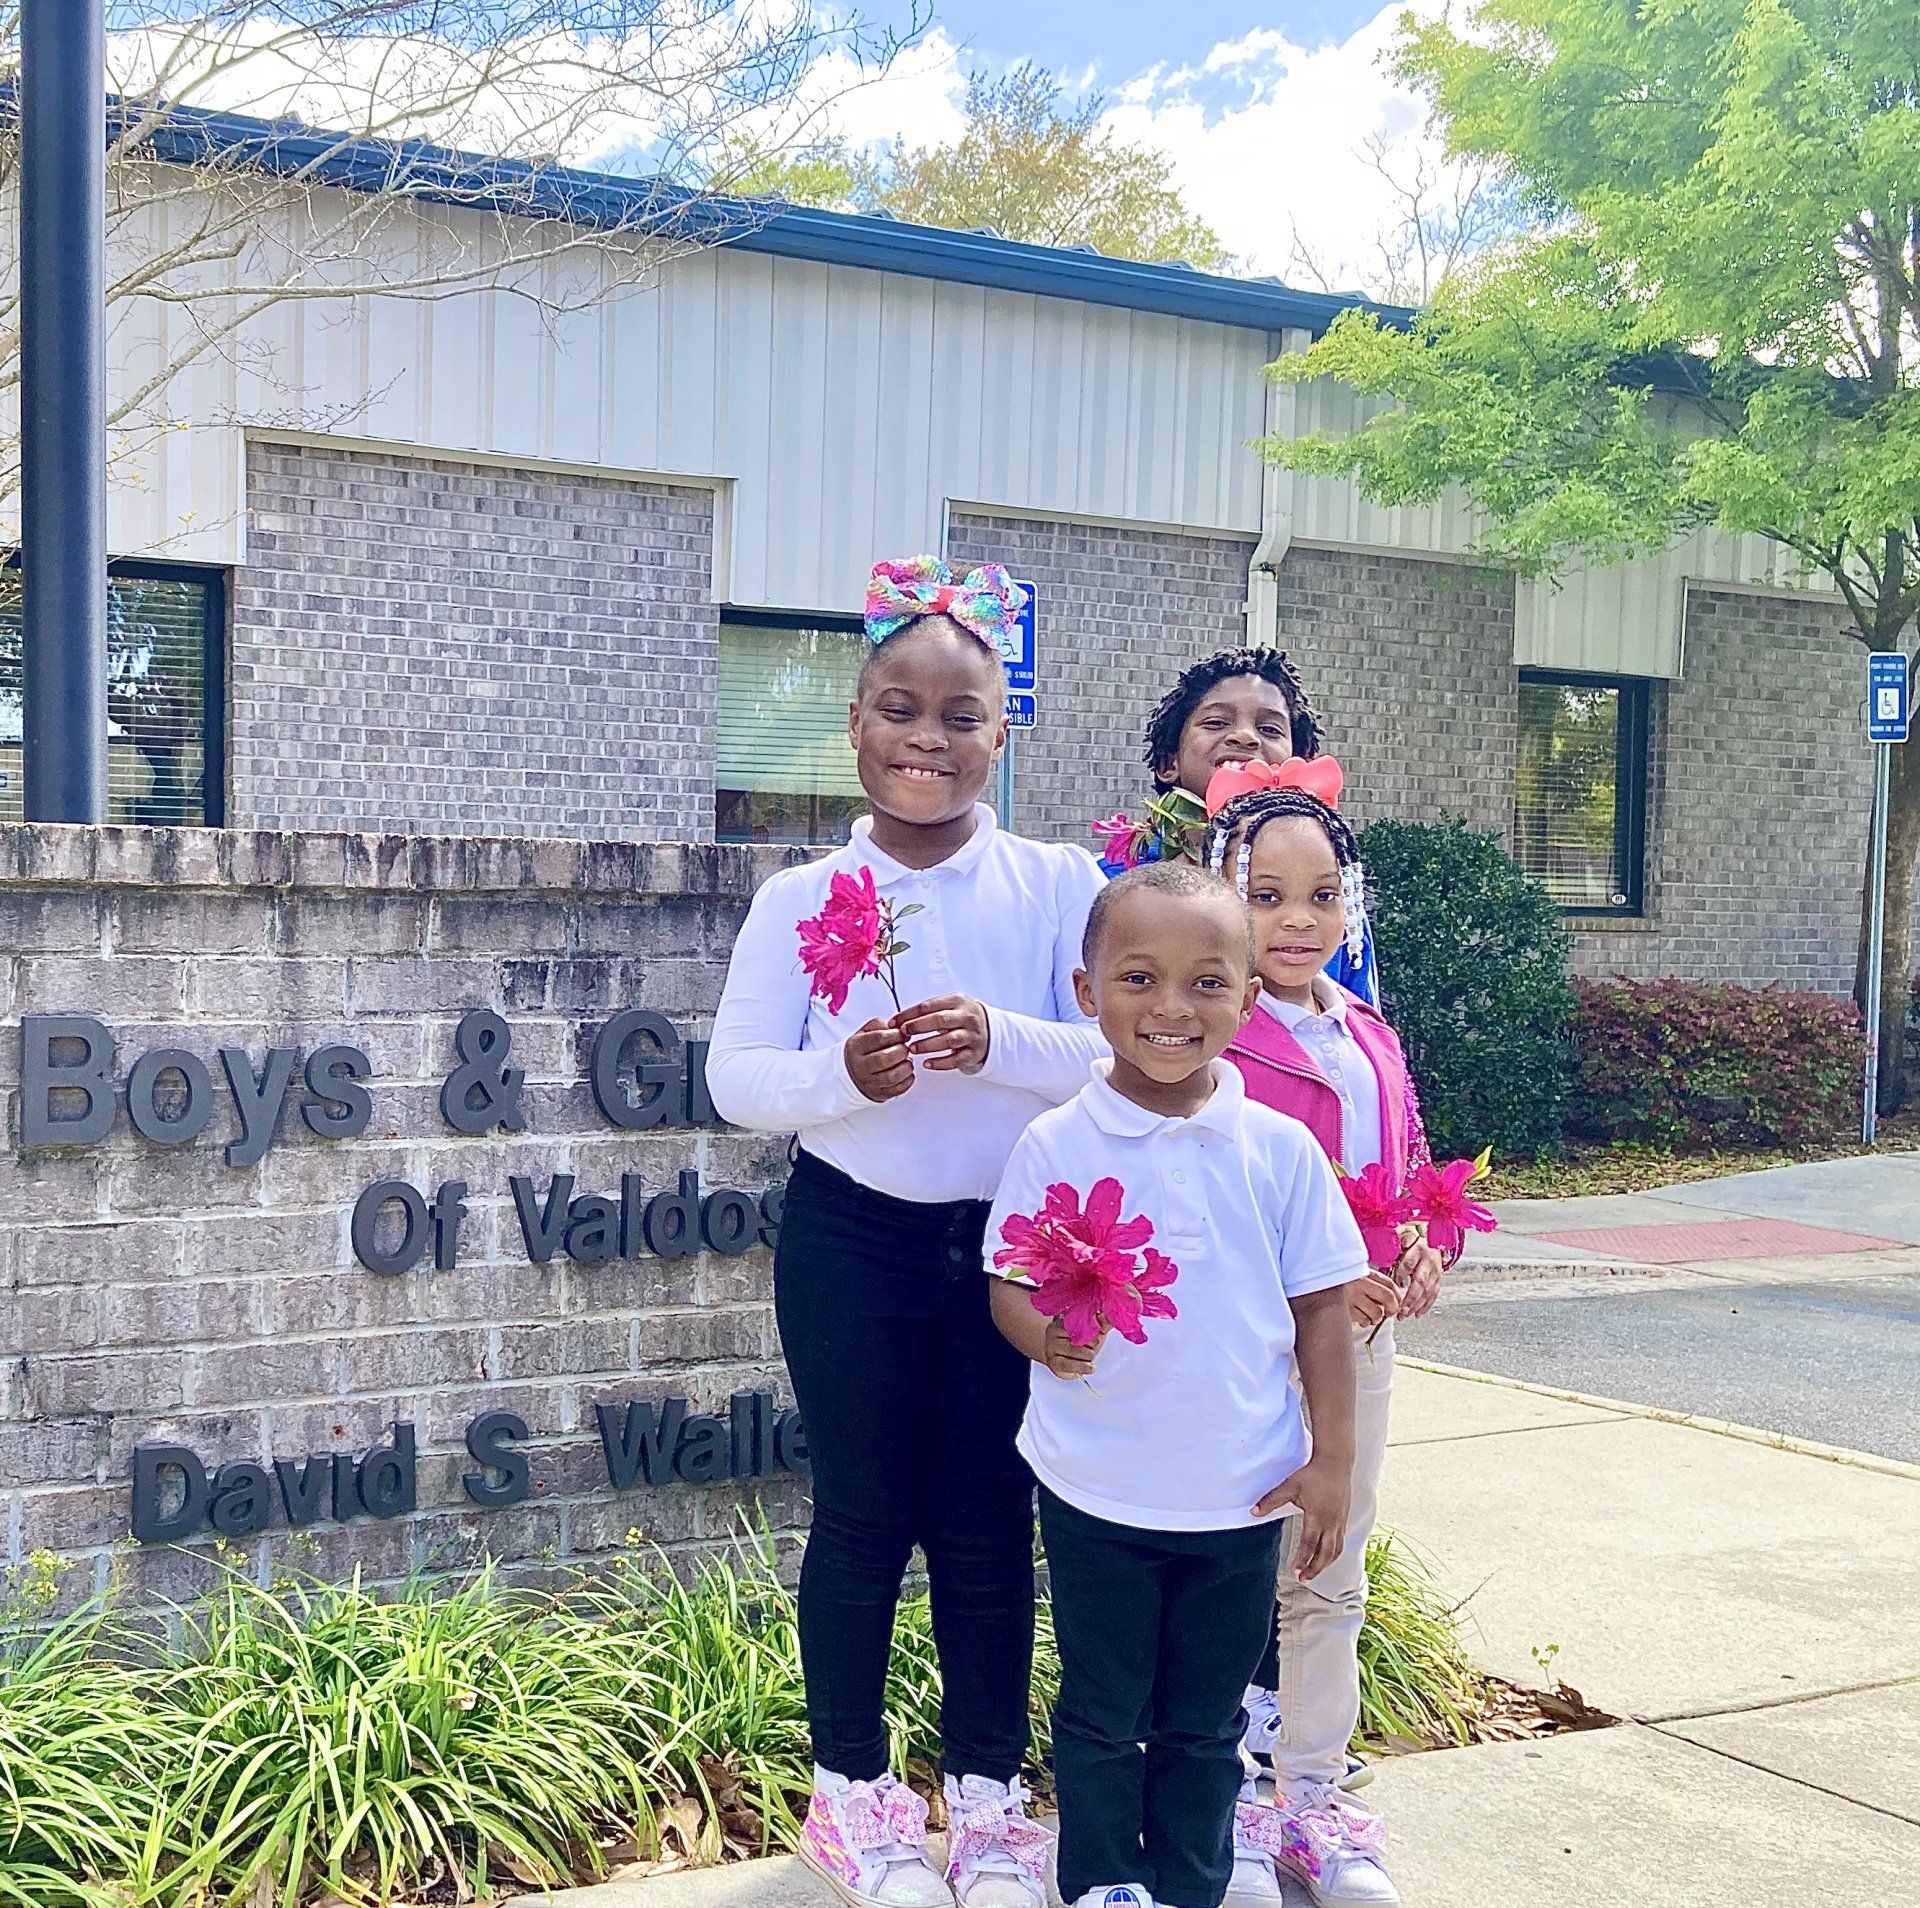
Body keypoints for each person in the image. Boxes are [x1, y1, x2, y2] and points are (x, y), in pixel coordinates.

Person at [706, 557, 1107, 1908]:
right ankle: (853, 1800)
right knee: (866, 1519)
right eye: (898, 707)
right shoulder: (802, 899)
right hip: (854, 1242)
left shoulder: (1059, 886)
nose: (926, 738)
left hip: (1013, 1253)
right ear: (857, 724)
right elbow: (739, 1076)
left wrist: (1001, 1041)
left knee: (994, 1523)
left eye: (960, 714)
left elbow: (1132, 1047)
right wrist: (841, 1078)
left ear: (1005, 730)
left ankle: (992, 1807)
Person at [985, 861, 1369, 1908]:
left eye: (1207, 982)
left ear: (1247, 997)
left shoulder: (1280, 1151)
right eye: (1139, 978)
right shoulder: (1055, 1142)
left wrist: (1331, 1462)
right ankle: (1105, 1880)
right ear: (1086, 993)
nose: (1171, 1007)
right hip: (1095, 1489)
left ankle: (1195, 1882)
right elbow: (1007, 1285)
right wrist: (1045, 1334)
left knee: (1207, 1722)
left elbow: (1322, 1315)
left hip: (1238, 1496)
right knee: (1103, 1711)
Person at [1202, 774, 1447, 1908]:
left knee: (1332, 1567)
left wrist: (1425, 1251)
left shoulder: (1372, 1036)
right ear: (1224, 898)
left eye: (1318, 896)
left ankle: (1310, 1796)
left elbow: (1406, 1181)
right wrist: (1318, 1276)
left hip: (1364, 1352)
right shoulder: (1214, 1038)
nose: (1296, 921)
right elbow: (1200, 1205)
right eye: (1267, 896)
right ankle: (1228, 1805)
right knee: (1243, 1572)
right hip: (1255, 1349)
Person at [1095, 649, 1377, 1005]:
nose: (1245, 737)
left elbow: (1355, 1025)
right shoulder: (1103, 882)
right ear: (1169, 762)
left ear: (1299, 763)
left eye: (1269, 728)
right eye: (1216, 722)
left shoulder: (1331, 896)